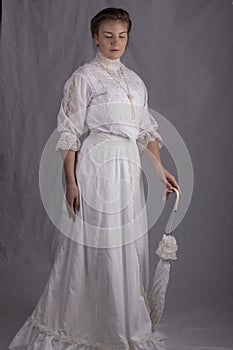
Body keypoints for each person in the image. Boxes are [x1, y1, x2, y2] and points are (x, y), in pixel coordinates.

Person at [8, 7, 182, 350]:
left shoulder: (135, 81)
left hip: (128, 168)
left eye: (121, 36)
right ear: (94, 37)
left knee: (126, 243)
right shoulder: (84, 77)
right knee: (97, 243)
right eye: (108, 36)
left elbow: (145, 131)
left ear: (129, 37)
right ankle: (86, 320)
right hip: (97, 165)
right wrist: (71, 182)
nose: (115, 42)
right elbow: (70, 131)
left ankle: (121, 317)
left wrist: (160, 169)